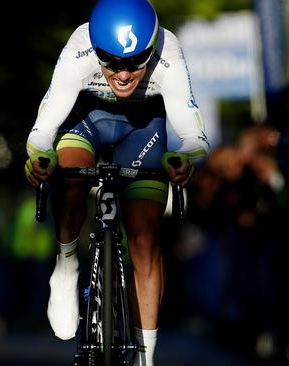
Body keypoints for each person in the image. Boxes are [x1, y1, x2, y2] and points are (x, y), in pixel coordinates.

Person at [23, 0, 210, 365]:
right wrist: (40, 159)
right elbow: (42, 130)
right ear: (95, 49)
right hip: (85, 120)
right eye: (110, 62)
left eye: (134, 64)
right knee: (72, 179)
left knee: (144, 238)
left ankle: (145, 356)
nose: (123, 75)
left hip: (143, 130)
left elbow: (194, 136)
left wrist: (185, 158)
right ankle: (66, 266)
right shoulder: (78, 48)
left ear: (151, 48)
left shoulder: (169, 53)